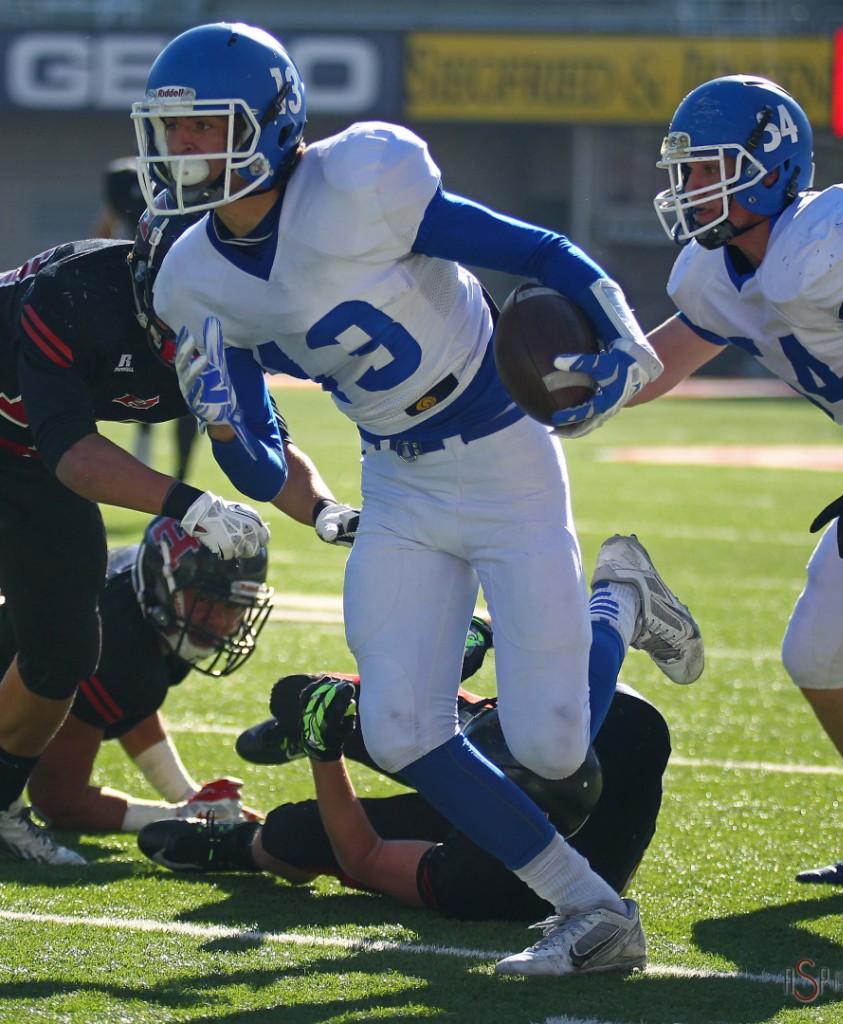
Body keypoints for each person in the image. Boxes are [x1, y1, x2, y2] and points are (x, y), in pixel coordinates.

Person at [131, 23, 703, 975]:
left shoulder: (361, 181)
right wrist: (230, 428)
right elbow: (266, 475)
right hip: (397, 476)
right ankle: (594, 913)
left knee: (554, 749)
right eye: (172, 132)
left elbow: (541, 250)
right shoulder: (193, 276)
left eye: (204, 129)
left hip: (503, 450)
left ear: (273, 126)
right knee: (400, 727)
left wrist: (617, 331)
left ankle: (620, 600)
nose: (182, 152)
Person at [596, 74, 843, 885]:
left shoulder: (822, 242)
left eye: (712, 169)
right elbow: (657, 362)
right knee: (818, 653)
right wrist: (568, 389)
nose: (691, 188)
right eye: (688, 170)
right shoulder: (722, 271)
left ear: (772, 170)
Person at [0, 189, 351, 867]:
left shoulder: (228, 333)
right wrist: (190, 504)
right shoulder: (73, 295)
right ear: (152, 271)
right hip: (46, 447)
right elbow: (76, 455)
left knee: (65, 652)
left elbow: (265, 445)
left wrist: (328, 511)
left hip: (28, 457)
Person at [137, 540, 672, 936]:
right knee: (487, 724)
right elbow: (562, 677)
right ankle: (366, 707)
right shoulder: (631, 733)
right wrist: (480, 644)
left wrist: (324, 753)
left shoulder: (478, 883)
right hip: (595, 759)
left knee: (295, 832)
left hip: (496, 859)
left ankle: (243, 841)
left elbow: (364, 856)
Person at [0, 514, 273, 837]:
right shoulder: (116, 644)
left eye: (235, 606)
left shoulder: (146, 599)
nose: (222, 622)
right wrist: (181, 816)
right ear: (164, 583)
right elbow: (58, 801)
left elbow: (129, 703)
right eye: (209, 602)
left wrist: (186, 795)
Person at [96, 157, 200, 480]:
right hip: (141, 287)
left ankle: (181, 475)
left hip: (190, 291)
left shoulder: (203, 182)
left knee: (192, 381)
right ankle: (143, 429)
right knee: (140, 363)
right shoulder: (125, 179)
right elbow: (106, 225)